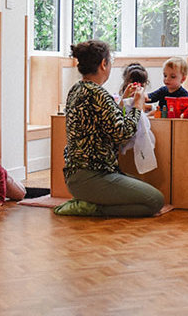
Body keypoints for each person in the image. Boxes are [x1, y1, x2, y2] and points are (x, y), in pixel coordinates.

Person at [57, 39, 166, 217]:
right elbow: (122, 134)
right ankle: (91, 208)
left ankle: (89, 201)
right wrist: (137, 106)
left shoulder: (77, 89)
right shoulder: (98, 94)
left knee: (141, 189)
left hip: (77, 176)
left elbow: (106, 122)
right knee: (155, 200)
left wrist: (124, 99)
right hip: (92, 177)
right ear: (103, 64)